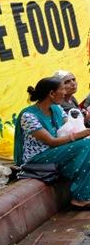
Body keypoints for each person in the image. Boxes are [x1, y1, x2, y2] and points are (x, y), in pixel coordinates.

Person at [14, 76, 90, 208]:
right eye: (62, 89)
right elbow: (52, 142)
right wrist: (80, 135)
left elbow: (70, 128)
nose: (65, 93)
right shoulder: (29, 116)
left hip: (57, 150)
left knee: (86, 145)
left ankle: (84, 193)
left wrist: (83, 132)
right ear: (51, 93)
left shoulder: (57, 109)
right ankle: (81, 198)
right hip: (38, 157)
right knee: (86, 145)